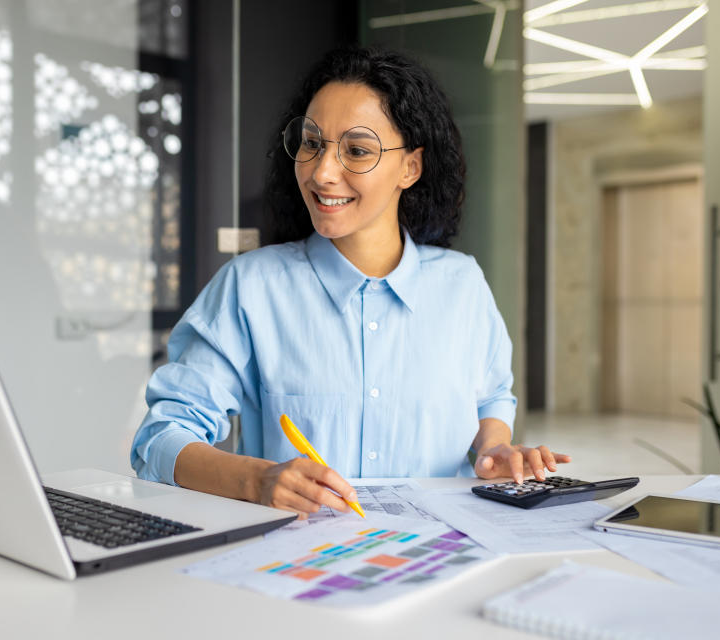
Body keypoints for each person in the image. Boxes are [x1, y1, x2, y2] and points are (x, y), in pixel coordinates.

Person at [130, 46, 570, 519]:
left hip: (442, 556)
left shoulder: (462, 285)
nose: (321, 172)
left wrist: (495, 449)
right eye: (312, 143)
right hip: (297, 569)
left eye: (357, 150)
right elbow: (161, 438)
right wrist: (257, 480)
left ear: (411, 167)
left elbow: (490, 398)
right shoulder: (251, 287)